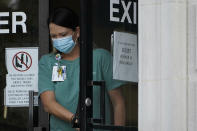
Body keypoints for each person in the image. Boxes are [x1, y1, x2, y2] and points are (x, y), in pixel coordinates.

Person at [38, 7, 126, 131]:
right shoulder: (47, 62)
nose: (58, 40)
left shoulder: (100, 58)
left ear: (77, 32)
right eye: (54, 36)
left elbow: (118, 103)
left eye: (63, 34)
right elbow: (48, 104)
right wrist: (76, 120)